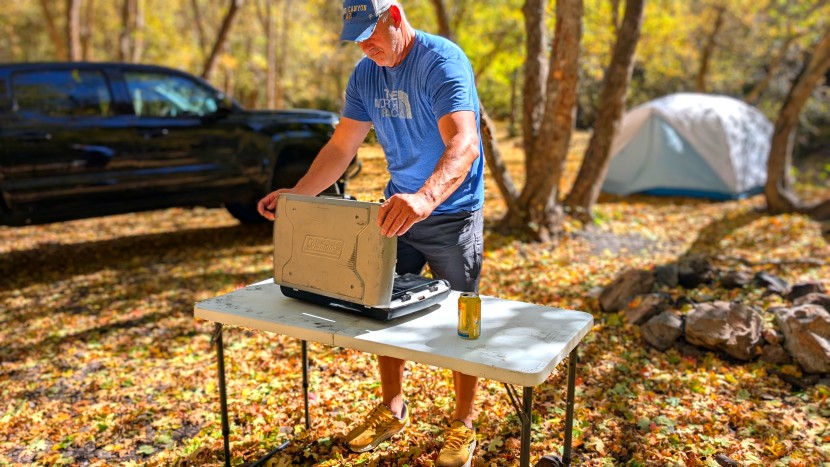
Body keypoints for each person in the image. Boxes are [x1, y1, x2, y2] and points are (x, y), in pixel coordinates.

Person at [256, 0, 484, 465]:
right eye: (356, 37)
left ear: (395, 17)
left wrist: (426, 198)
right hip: (395, 209)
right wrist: (298, 196)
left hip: (450, 213)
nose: (365, 45)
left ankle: (463, 422)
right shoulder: (365, 75)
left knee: (463, 322)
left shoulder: (441, 62)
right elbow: (342, 146)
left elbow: (465, 142)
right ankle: (393, 407)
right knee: (379, 305)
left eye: (371, 33)